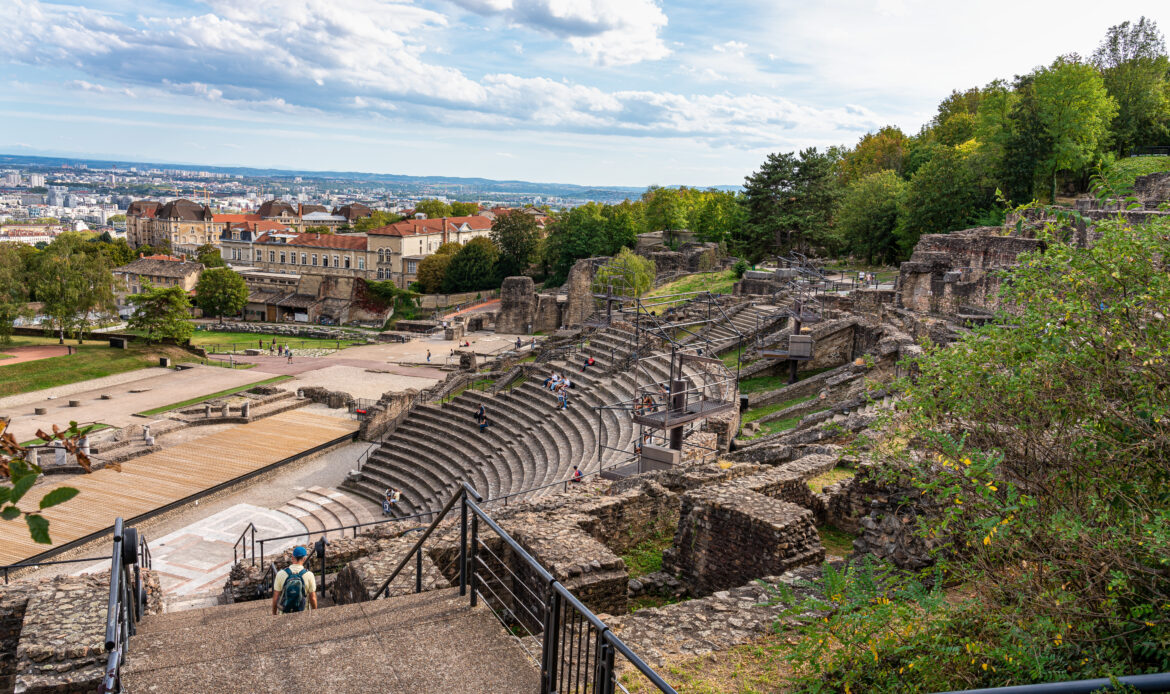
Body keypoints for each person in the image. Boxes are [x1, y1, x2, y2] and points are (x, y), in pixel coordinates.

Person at [272, 546, 317, 615]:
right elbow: (313, 598)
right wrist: (315, 613)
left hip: (285, 612)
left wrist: (274, 614)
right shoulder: (309, 575)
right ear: (304, 559)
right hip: (303, 612)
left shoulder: (280, 574)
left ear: (292, 558)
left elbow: (275, 598)